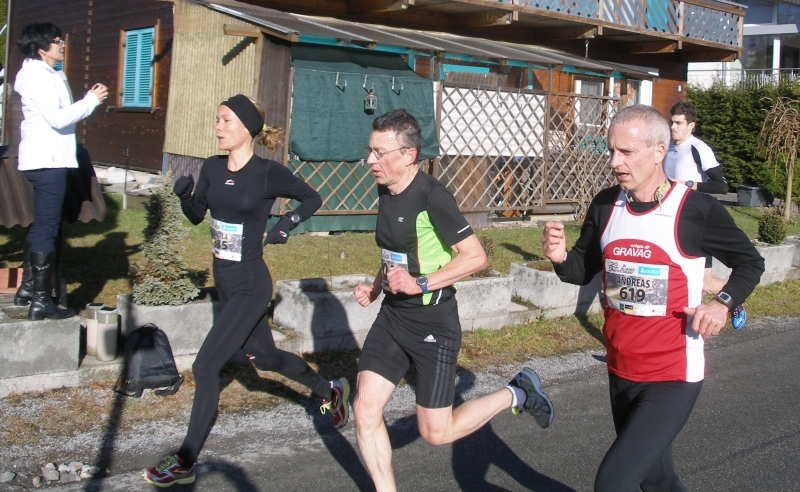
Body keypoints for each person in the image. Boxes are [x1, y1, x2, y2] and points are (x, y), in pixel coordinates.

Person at [541, 104, 764, 492]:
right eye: (611, 151)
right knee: (657, 480)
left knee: (613, 483)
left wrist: (721, 302)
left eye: (626, 152)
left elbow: (750, 263)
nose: (614, 161)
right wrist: (560, 257)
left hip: (672, 376)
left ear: (659, 152)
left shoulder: (694, 210)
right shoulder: (606, 204)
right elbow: (583, 269)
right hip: (621, 366)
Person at [142, 94, 349, 487]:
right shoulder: (212, 167)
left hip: (252, 284)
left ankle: (185, 461)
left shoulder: (268, 173)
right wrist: (184, 195)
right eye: (216, 120)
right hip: (224, 279)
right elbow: (197, 215)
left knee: (205, 367)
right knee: (265, 358)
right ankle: (330, 390)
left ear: (247, 129)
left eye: (225, 121)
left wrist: (286, 224)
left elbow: (312, 197)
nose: (218, 127)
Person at [352, 109, 554, 492]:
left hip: (433, 323)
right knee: (365, 409)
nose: (370, 161)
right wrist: (378, 285)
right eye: (370, 150)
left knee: (436, 432)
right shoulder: (387, 189)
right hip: (393, 318)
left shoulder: (432, 197)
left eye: (380, 152)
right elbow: (398, 251)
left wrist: (421, 282)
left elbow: (476, 257)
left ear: (408, 154)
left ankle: (518, 391)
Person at [13, 22, 108, 320]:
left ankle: (28, 290)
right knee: (46, 228)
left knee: (41, 224)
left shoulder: (44, 73)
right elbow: (58, 118)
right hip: (48, 161)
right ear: (41, 49)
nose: (62, 44)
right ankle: (41, 302)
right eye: (56, 41)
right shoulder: (39, 77)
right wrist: (91, 101)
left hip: (46, 159)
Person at [665, 101, 747, 329]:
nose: (673, 127)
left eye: (679, 123)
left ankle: (735, 301)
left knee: (705, 283)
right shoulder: (667, 147)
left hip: (697, 220)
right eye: (671, 122)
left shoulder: (698, 149)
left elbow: (721, 186)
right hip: (670, 219)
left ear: (691, 126)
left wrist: (688, 184)